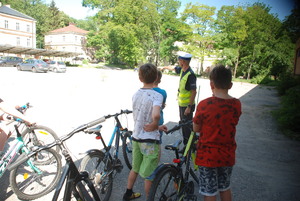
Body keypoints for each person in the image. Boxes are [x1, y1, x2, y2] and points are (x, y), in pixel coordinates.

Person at [192, 65, 242, 201]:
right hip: (227, 155)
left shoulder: (204, 104)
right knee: (225, 187)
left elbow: (196, 129)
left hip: (207, 156)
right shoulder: (236, 104)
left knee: (209, 191)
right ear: (230, 85)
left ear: (211, 84)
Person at [123, 63, 167, 201]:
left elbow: (142, 117)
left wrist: (155, 126)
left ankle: (128, 193)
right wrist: (155, 124)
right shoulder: (157, 95)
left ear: (140, 78)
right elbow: (155, 115)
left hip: (136, 138)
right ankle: (150, 198)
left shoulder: (135, 94)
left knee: (135, 168)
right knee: (150, 175)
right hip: (149, 141)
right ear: (156, 77)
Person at [163, 51, 197, 146]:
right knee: (184, 126)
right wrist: (164, 67)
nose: (178, 61)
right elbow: (173, 68)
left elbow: (194, 92)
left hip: (187, 106)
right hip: (182, 104)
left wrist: (189, 107)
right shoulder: (183, 69)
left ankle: (190, 147)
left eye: (179, 60)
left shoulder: (190, 75)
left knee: (187, 128)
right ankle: (188, 146)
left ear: (183, 61)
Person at [152, 70, 167, 160]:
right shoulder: (163, 92)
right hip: (159, 121)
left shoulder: (145, 91)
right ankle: (156, 163)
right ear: (160, 80)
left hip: (148, 120)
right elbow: (162, 105)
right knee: (158, 143)